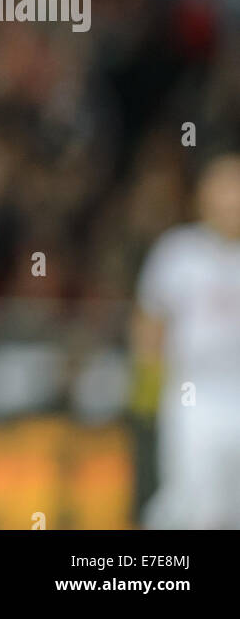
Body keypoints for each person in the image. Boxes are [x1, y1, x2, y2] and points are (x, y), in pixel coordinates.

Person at [132, 152, 240, 528]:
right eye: (223, 188)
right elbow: (151, 319)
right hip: (194, 395)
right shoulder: (179, 252)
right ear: (203, 195)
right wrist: (149, 381)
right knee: (193, 501)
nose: (231, 200)